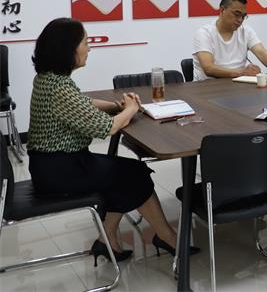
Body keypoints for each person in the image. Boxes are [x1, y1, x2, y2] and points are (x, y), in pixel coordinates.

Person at [26, 18, 198, 265]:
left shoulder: (50, 79)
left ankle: (108, 239)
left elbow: (82, 102)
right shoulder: (58, 88)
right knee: (134, 175)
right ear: (68, 49)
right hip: (60, 171)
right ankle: (167, 237)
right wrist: (130, 108)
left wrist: (116, 106)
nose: (89, 48)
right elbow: (108, 128)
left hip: (55, 165)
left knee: (125, 174)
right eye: (85, 42)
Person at [193, 0, 267, 80]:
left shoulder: (246, 31)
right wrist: (242, 72)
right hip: (207, 88)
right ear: (222, 10)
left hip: (237, 85)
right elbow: (208, 68)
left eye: (243, 16)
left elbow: (261, 52)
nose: (240, 20)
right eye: (236, 14)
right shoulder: (204, 33)